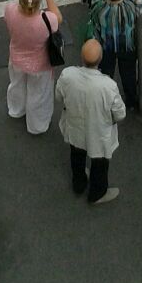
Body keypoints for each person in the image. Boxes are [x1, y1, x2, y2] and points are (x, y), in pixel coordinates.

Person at [56, 39, 125, 204]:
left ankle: (78, 183)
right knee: (100, 161)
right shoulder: (108, 86)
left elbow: (59, 97)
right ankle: (97, 193)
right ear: (100, 59)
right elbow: (120, 114)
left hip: (75, 126)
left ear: (82, 57)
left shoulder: (68, 75)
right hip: (99, 132)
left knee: (77, 154)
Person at [4, 0, 63, 135]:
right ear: (38, 3)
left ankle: (16, 109)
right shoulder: (46, 20)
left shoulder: (10, 10)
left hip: (16, 59)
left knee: (16, 85)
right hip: (40, 65)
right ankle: (37, 125)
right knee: (38, 95)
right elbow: (58, 17)